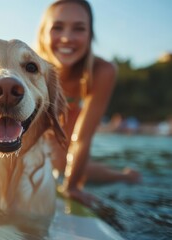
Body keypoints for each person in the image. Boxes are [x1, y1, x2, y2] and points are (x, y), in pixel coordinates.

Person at [35, 0, 141, 206]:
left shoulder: (102, 71)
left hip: (69, 138)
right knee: (52, 158)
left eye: (79, 28)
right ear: (42, 34)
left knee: (61, 161)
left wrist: (71, 186)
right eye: (57, 27)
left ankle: (126, 177)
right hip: (41, 135)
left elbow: (82, 139)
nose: (67, 38)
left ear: (90, 35)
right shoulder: (28, 67)